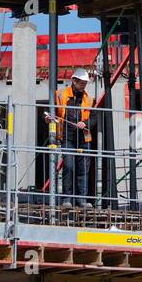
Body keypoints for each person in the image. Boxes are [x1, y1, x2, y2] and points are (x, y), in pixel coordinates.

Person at [45, 67, 94, 205]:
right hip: (68, 137)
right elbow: (52, 112)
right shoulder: (60, 95)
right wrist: (48, 118)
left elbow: (95, 117)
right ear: (74, 80)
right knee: (69, 166)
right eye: (82, 82)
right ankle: (67, 198)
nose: (84, 85)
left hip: (84, 139)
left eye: (85, 83)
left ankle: (82, 199)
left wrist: (85, 123)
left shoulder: (89, 99)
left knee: (83, 169)